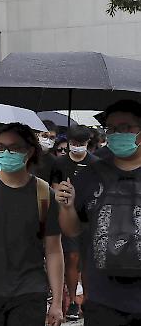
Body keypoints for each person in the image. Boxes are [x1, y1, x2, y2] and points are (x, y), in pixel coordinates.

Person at [0, 122, 64, 326]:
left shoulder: (44, 194)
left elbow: (54, 250)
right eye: (1, 147)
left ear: (30, 151)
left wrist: (57, 301)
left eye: (14, 148)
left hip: (30, 291)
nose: (7, 153)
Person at [56, 100, 141, 325]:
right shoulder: (90, 174)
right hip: (103, 299)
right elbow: (73, 229)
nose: (117, 134)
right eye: (111, 129)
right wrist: (66, 205)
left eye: (126, 127)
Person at [51, 124, 97, 320]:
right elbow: (53, 187)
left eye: (81, 144)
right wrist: (62, 195)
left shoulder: (96, 163)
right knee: (72, 257)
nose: (77, 147)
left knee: (87, 260)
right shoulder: (60, 164)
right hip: (66, 217)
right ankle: (70, 298)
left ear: (88, 144)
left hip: (89, 219)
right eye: (73, 143)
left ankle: (88, 298)